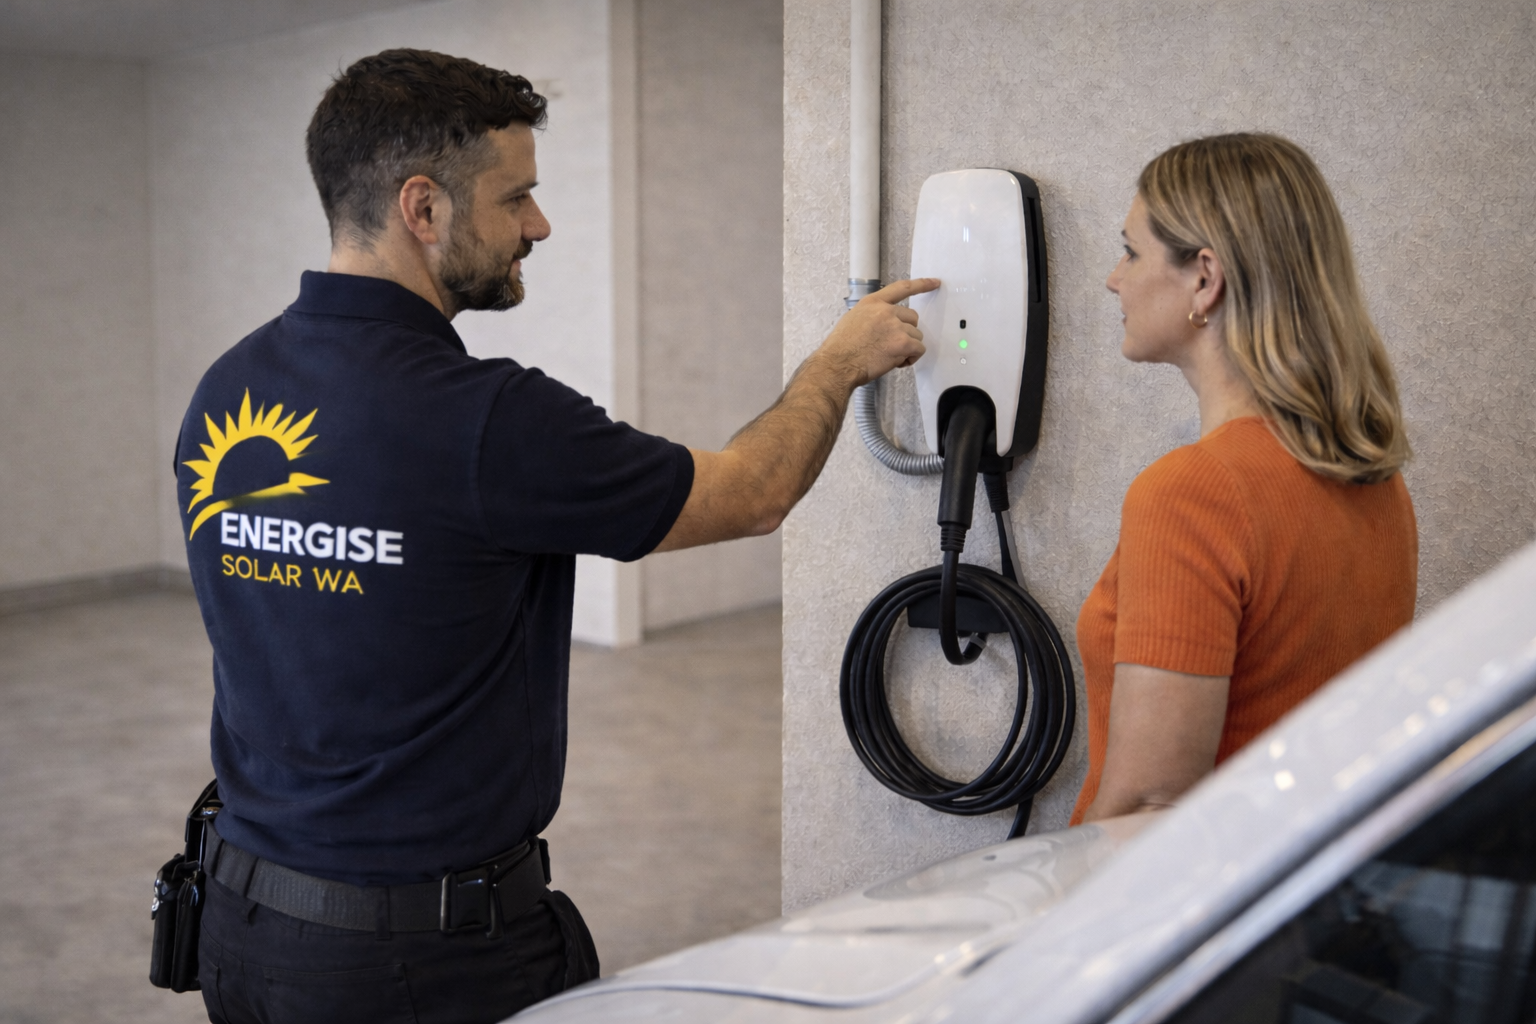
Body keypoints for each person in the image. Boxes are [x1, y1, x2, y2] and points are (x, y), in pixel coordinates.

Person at [173, 49, 934, 1024]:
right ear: (423, 208)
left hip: (243, 927)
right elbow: (752, 493)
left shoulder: (226, 388)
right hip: (416, 965)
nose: (538, 224)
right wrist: (839, 361)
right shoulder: (489, 421)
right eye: (516, 197)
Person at [1071, 133, 1417, 826]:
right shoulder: (1376, 478)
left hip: (1188, 909)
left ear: (1205, 277)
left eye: (1132, 251)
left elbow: (1150, 804)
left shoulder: (1192, 492)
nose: (1114, 277)